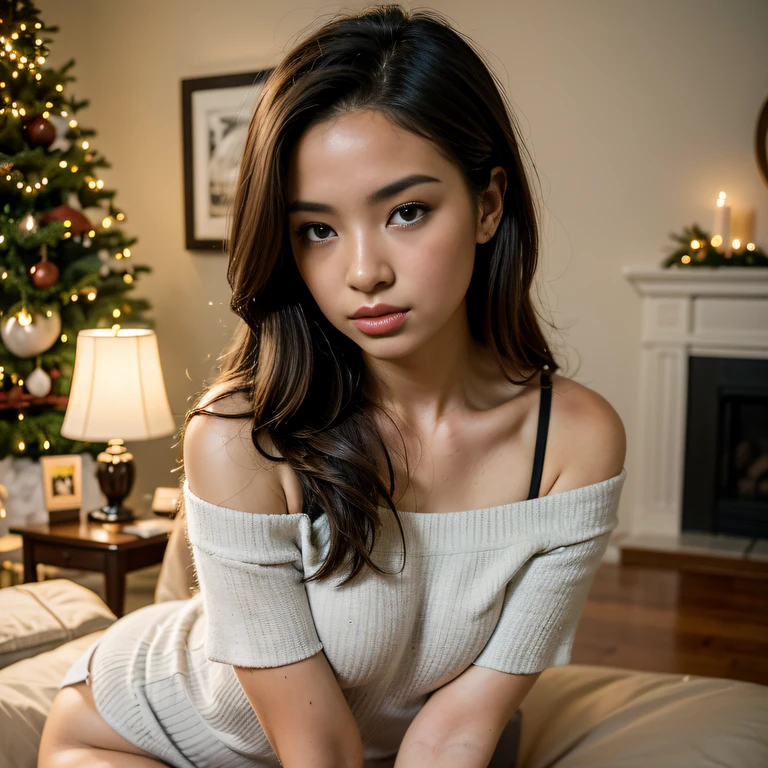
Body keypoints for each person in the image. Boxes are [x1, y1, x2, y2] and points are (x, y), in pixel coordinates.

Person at [39, 4, 627, 767]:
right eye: (317, 228)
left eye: (407, 212)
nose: (363, 273)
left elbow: (457, 732)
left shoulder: (573, 443)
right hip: (140, 738)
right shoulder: (240, 438)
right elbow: (318, 747)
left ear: (487, 205)